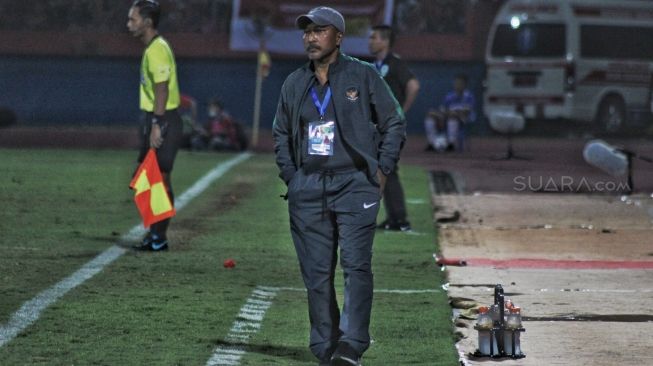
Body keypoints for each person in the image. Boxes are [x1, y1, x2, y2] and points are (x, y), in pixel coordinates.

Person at [273, 7, 406, 366]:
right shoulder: (293, 83)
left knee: (356, 266)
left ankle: (352, 344)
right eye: (307, 32)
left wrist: (381, 171)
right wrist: (293, 177)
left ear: (339, 37)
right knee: (316, 274)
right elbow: (281, 133)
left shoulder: (362, 76)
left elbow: (394, 122)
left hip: (354, 184)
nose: (310, 38)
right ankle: (325, 345)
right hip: (308, 188)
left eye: (319, 31)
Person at [127, 0, 182, 251]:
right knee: (148, 179)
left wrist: (157, 124)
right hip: (157, 118)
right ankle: (156, 233)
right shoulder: (153, 48)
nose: (129, 24)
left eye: (133, 19)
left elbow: (161, 87)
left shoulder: (157, 49)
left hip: (163, 118)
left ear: (147, 22)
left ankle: (158, 237)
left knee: (157, 180)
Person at [368, 24, 420, 232]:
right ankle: (394, 218)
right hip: (377, 126)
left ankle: (400, 219)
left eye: (374, 37)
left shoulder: (395, 63)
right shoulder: (375, 65)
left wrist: (402, 111)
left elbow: (414, 85)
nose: (370, 41)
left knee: (387, 169)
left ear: (384, 41)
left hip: (389, 126)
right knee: (385, 170)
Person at [425, 73, 475, 151]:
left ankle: (451, 144)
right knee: (430, 116)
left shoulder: (469, 96)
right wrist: (440, 115)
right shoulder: (449, 96)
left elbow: (467, 110)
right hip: (447, 116)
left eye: (460, 83)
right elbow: (442, 109)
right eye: (456, 83)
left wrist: (454, 113)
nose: (457, 85)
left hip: (462, 119)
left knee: (453, 117)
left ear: (465, 85)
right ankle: (432, 143)